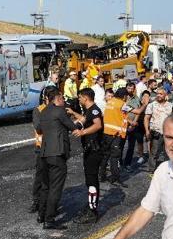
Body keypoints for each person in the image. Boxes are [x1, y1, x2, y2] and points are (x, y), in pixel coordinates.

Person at [35, 89, 78, 230]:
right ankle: (50, 219)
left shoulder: (44, 111)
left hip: (44, 153)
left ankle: (41, 215)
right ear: (58, 98)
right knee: (56, 187)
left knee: (45, 186)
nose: (64, 101)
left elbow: (40, 129)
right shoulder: (60, 111)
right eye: (62, 98)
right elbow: (72, 127)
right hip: (57, 153)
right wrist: (81, 122)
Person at [66, 87, 104, 224]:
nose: (79, 99)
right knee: (89, 180)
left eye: (80, 97)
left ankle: (93, 212)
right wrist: (73, 113)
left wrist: (83, 132)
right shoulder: (89, 110)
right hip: (90, 150)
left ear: (86, 98)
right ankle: (90, 205)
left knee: (92, 180)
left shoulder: (94, 110)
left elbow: (98, 125)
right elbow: (84, 119)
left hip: (94, 150)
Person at [29, 85, 58, 214]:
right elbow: (38, 127)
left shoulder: (58, 109)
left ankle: (50, 203)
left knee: (53, 178)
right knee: (40, 177)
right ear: (46, 98)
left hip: (55, 147)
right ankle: (37, 201)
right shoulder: (38, 110)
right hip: (41, 148)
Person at [99, 87, 129, 187]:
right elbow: (134, 111)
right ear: (124, 96)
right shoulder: (122, 104)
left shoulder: (110, 102)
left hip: (106, 132)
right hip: (115, 134)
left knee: (105, 155)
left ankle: (102, 175)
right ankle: (115, 177)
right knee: (114, 156)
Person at [144, 88, 173, 173]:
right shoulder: (152, 105)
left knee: (168, 153)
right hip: (156, 132)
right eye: (157, 93)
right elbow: (146, 118)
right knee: (154, 152)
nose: (158, 95)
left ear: (165, 95)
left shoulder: (170, 105)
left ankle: (168, 170)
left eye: (161, 94)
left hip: (168, 133)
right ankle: (151, 170)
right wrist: (147, 130)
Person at [123, 90, 150, 170]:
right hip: (127, 126)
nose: (145, 98)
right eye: (144, 96)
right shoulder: (123, 105)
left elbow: (137, 113)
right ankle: (119, 162)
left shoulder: (145, 103)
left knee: (135, 143)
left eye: (147, 97)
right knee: (122, 145)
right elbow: (138, 111)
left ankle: (127, 163)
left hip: (136, 125)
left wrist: (133, 123)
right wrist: (132, 123)